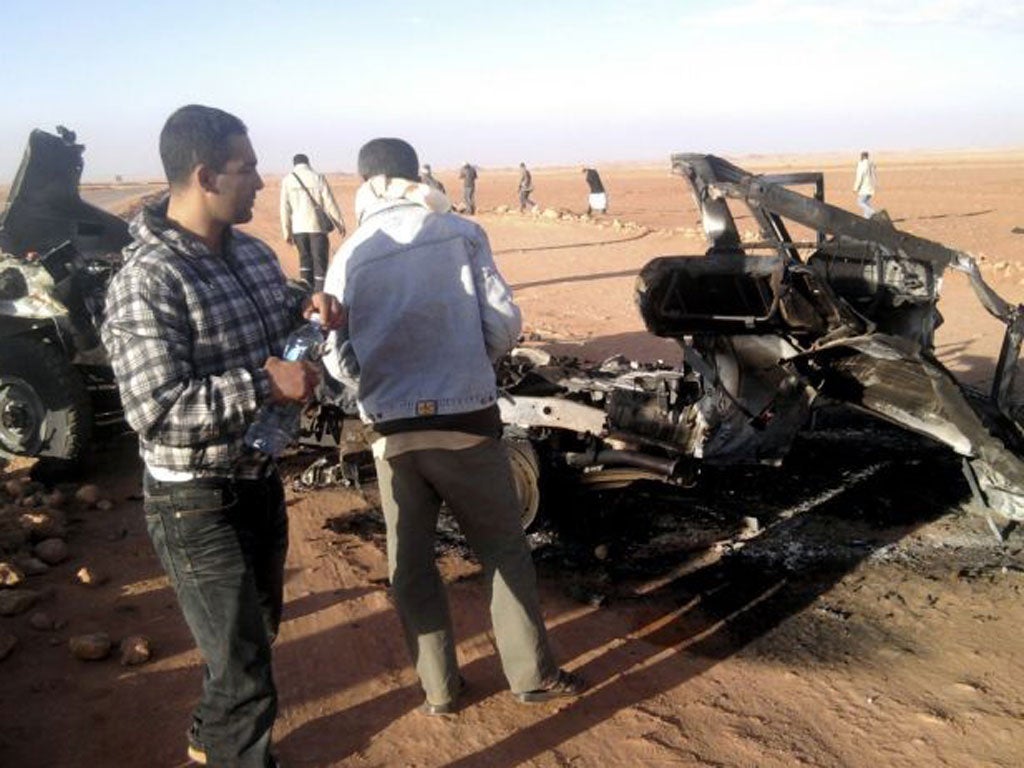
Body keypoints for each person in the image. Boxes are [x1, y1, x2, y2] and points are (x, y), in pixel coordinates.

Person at [101, 104, 343, 768]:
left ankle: (210, 739)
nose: (263, 182)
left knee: (251, 636)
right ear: (206, 175)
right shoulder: (147, 282)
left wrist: (308, 307)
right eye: (249, 168)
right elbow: (155, 410)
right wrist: (264, 385)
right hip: (194, 500)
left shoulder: (252, 253)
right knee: (243, 670)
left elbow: (272, 315)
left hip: (257, 476)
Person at [323, 137, 585, 715]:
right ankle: (531, 677)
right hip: (466, 420)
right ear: (415, 173)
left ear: (363, 181)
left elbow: (339, 360)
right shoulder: (460, 231)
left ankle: (440, 691)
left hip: (393, 434)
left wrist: (380, 383)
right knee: (501, 549)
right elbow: (502, 322)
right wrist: (470, 365)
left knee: (411, 566)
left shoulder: (348, 255)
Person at [280, 153, 346, 291]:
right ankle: (321, 294)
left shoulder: (287, 180)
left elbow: (284, 208)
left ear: (294, 164)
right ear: (308, 162)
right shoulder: (318, 177)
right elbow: (330, 202)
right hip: (317, 227)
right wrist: (339, 223)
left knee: (304, 260)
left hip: (298, 229)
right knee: (320, 262)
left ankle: (307, 294)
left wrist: (287, 231)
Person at [853, 150, 878, 218]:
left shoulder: (862, 165)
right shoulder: (871, 164)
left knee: (860, 202)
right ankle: (867, 219)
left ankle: (872, 212)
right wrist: (876, 185)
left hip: (865, 188)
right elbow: (874, 176)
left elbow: (859, 177)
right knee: (866, 203)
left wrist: (855, 188)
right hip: (871, 188)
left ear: (862, 156)